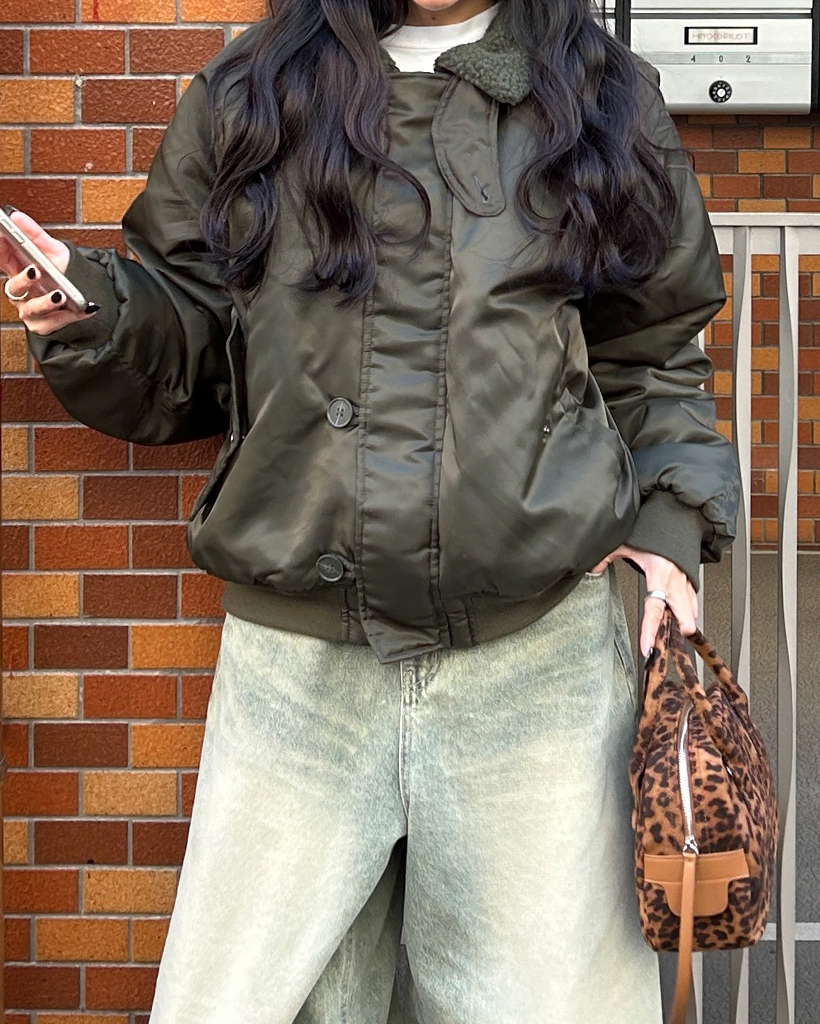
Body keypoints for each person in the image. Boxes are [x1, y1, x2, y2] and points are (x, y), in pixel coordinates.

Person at [1, 0, 740, 1020]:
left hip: (534, 661)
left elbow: (650, 348)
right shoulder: (254, 89)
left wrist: (667, 529)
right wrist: (96, 313)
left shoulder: (601, 94)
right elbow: (195, 330)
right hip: (295, 673)